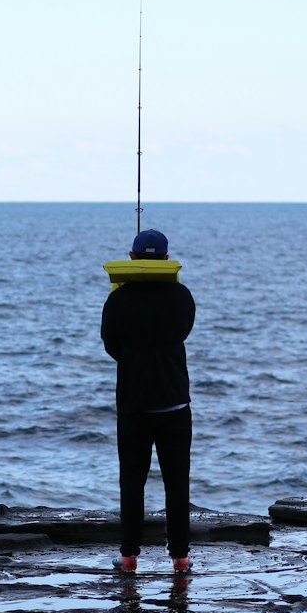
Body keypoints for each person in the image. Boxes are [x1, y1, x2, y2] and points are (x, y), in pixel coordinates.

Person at [101, 228, 195, 574]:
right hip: (174, 404)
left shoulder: (118, 300)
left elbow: (111, 345)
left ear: (132, 258)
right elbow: (184, 330)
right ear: (167, 261)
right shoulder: (182, 296)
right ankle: (180, 558)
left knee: (131, 481)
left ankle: (128, 556)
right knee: (177, 482)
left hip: (133, 405)